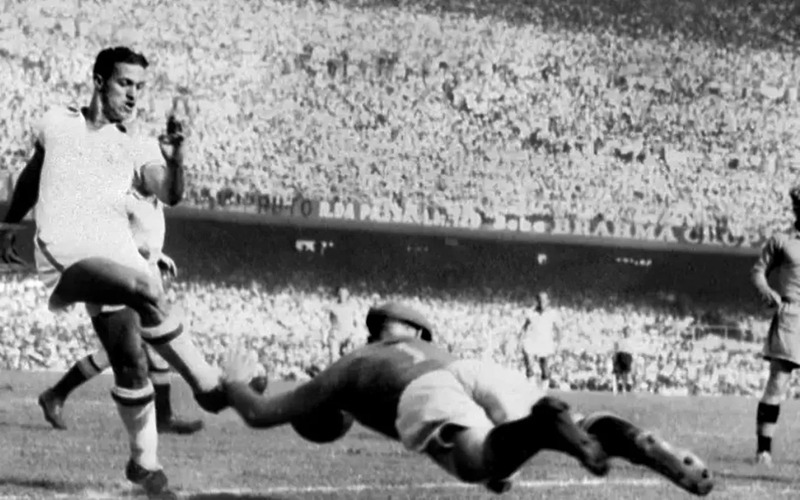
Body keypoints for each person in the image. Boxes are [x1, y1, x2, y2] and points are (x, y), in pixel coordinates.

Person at [0, 46, 253, 498]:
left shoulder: (137, 143)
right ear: (99, 81)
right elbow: (32, 177)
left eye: (140, 86)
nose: (134, 95)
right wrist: (7, 224)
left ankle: (144, 464)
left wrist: (177, 159)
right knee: (144, 287)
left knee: (131, 363)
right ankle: (207, 386)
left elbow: (168, 193)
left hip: (114, 255)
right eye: (124, 83)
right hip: (64, 252)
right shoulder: (57, 122)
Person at [219, 303, 714, 497]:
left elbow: (262, 414)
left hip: (423, 393)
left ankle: (543, 426)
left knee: (475, 461)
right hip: (474, 370)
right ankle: (634, 439)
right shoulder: (435, 350)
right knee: (579, 425)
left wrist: (236, 381)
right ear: (418, 332)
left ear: (373, 334)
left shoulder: (353, 364)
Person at [37, 187, 203, 435]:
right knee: (121, 354)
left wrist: (158, 255)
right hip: (119, 283)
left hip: (140, 284)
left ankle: (163, 417)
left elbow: (143, 237)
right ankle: (56, 395)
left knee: (148, 351)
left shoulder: (155, 202)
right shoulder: (122, 197)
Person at [751, 186, 800, 466]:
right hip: (791, 316)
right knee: (778, 382)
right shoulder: (782, 241)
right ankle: (763, 451)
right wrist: (767, 291)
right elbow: (758, 271)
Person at [519, 292, 560, 387]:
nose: (542, 302)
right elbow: (525, 327)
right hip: (532, 340)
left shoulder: (552, 313)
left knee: (544, 367)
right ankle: (530, 387)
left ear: (548, 301)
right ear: (537, 301)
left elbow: (558, 329)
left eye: (544, 300)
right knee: (529, 363)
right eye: (540, 300)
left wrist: (558, 343)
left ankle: (543, 390)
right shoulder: (531, 313)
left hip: (545, 342)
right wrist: (520, 339)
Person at [326, 286, 359, 363]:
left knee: (349, 358)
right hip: (336, 335)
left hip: (348, 335)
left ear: (347, 295)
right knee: (334, 357)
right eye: (340, 294)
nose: (342, 296)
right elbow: (328, 321)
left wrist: (354, 333)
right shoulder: (333, 307)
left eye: (344, 294)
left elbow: (357, 322)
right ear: (338, 295)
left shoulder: (352, 307)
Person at [612, 326, 636, 394]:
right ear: (624, 332)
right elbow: (616, 349)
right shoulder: (619, 340)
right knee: (619, 372)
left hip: (628, 355)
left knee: (627, 372)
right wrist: (615, 356)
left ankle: (626, 386)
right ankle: (619, 386)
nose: (627, 332)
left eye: (628, 331)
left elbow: (633, 350)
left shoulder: (632, 340)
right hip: (620, 355)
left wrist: (633, 357)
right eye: (626, 331)